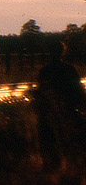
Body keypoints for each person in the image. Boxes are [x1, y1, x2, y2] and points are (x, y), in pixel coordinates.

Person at [34, 42, 86, 172]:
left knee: (48, 140)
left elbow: (40, 92)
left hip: (50, 112)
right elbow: (79, 92)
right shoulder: (69, 69)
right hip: (68, 110)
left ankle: (51, 167)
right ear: (63, 52)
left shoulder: (45, 71)